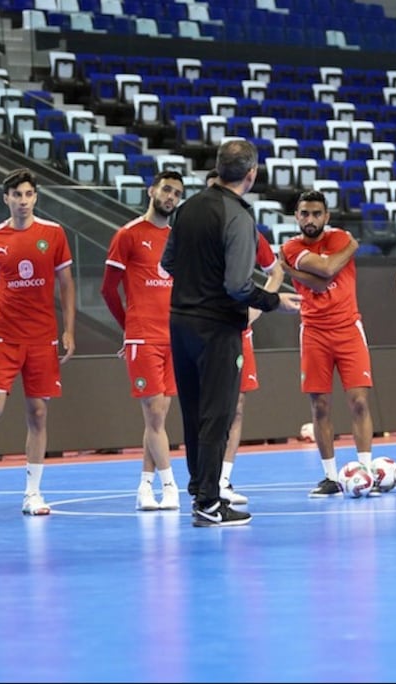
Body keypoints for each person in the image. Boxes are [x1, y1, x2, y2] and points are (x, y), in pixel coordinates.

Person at [162, 139, 301, 527]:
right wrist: (276, 301)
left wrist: (197, 285)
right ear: (252, 174)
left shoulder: (187, 208)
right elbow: (239, 286)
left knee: (192, 412)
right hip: (217, 327)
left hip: (180, 322)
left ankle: (199, 492)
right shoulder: (238, 216)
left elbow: (167, 262)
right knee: (217, 414)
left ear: (219, 168)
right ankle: (208, 502)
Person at [0, 168, 76, 516]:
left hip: (42, 338)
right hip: (3, 336)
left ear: (36, 197)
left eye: (28, 194)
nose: (23, 201)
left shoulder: (54, 233)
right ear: (6, 199)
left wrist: (68, 330)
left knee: (38, 413)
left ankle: (33, 493)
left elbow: (66, 283)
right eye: (16, 195)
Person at [279, 190, 378, 497]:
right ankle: (330, 477)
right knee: (320, 407)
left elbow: (327, 269)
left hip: (349, 328)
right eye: (304, 214)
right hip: (314, 332)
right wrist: (349, 249)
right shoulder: (292, 246)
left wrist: (290, 270)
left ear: (326, 216)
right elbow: (323, 275)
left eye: (316, 213)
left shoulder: (338, 238)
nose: (310, 219)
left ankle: (366, 471)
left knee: (359, 402)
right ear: (296, 217)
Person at [101, 170, 186, 512]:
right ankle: (170, 487)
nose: (171, 197)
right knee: (154, 413)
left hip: (174, 338)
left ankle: (144, 487)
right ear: (151, 190)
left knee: (159, 419)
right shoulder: (129, 234)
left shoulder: (179, 239)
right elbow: (108, 289)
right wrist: (129, 329)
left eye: (177, 193)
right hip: (143, 337)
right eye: (166, 189)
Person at [220, 227, 284, 505]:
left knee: (237, 407)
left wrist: (254, 312)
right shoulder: (202, 233)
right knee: (209, 407)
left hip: (239, 332)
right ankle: (203, 478)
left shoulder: (252, 236)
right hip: (208, 331)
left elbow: (276, 272)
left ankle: (223, 479)